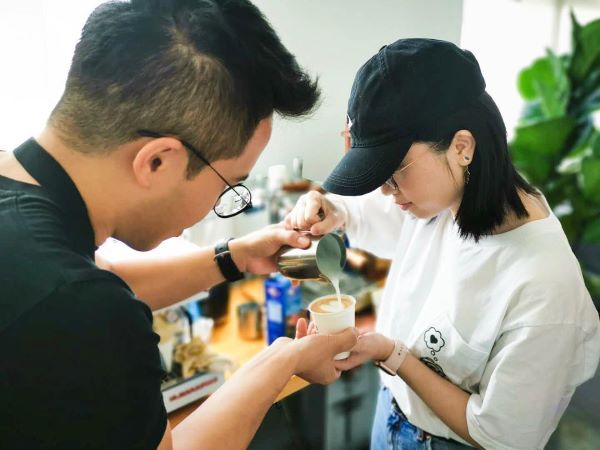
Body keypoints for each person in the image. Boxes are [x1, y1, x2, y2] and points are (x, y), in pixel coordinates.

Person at [0, 1, 358, 449]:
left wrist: (235, 257)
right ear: (157, 162)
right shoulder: (84, 314)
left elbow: (105, 278)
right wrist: (286, 359)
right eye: (229, 184)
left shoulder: (22, 202)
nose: (216, 205)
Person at [285, 38, 600, 449]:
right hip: (389, 416)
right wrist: (327, 207)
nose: (385, 191)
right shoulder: (443, 199)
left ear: (462, 147)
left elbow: (497, 435)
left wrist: (395, 356)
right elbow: (362, 214)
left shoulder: (544, 289)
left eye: (394, 171)